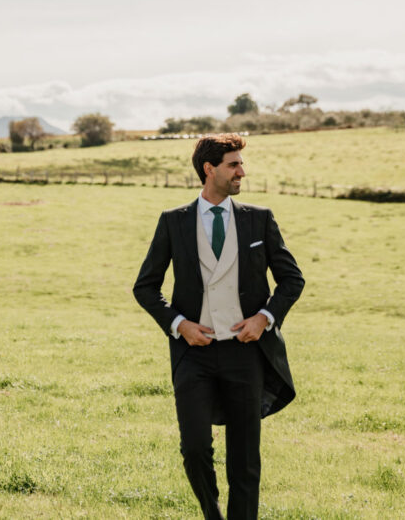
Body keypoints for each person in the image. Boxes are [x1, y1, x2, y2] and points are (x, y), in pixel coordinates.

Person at [133, 133, 305, 520]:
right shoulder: (173, 222)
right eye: (234, 164)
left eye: (241, 164)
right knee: (194, 449)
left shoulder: (258, 219)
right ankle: (212, 514)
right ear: (209, 169)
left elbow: (292, 280)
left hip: (246, 353)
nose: (242, 171)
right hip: (194, 354)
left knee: (244, 459)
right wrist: (179, 325)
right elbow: (145, 288)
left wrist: (265, 318)